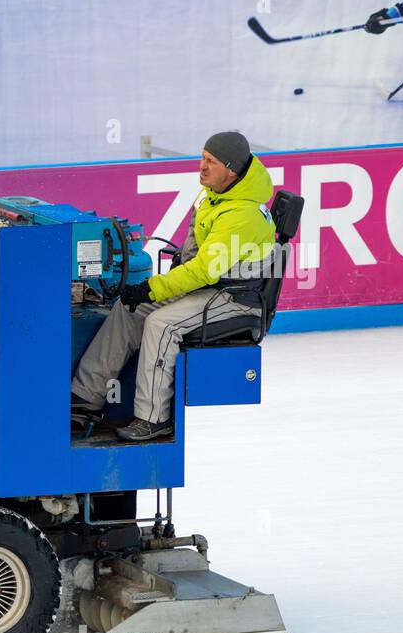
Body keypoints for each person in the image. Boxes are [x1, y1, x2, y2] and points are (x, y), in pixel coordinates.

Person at [70, 132, 277, 442]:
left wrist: (153, 289)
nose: (202, 166)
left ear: (231, 170)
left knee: (161, 324)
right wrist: (147, 293)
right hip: (215, 286)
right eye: (202, 157)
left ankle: (153, 419)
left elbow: (203, 271)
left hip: (237, 297)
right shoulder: (218, 196)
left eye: (211, 161)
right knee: (131, 308)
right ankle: (85, 398)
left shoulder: (241, 214)